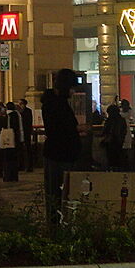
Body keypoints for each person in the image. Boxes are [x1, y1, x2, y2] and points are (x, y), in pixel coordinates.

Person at [40, 71, 84, 225]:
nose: (74, 92)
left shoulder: (55, 102)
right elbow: (62, 129)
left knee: (58, 193)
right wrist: (77, 130)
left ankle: (57, 224)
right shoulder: (56, 104)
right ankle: (57, 225)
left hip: (60, 153)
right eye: (72, 88)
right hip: (59, 154)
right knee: (58, 193)